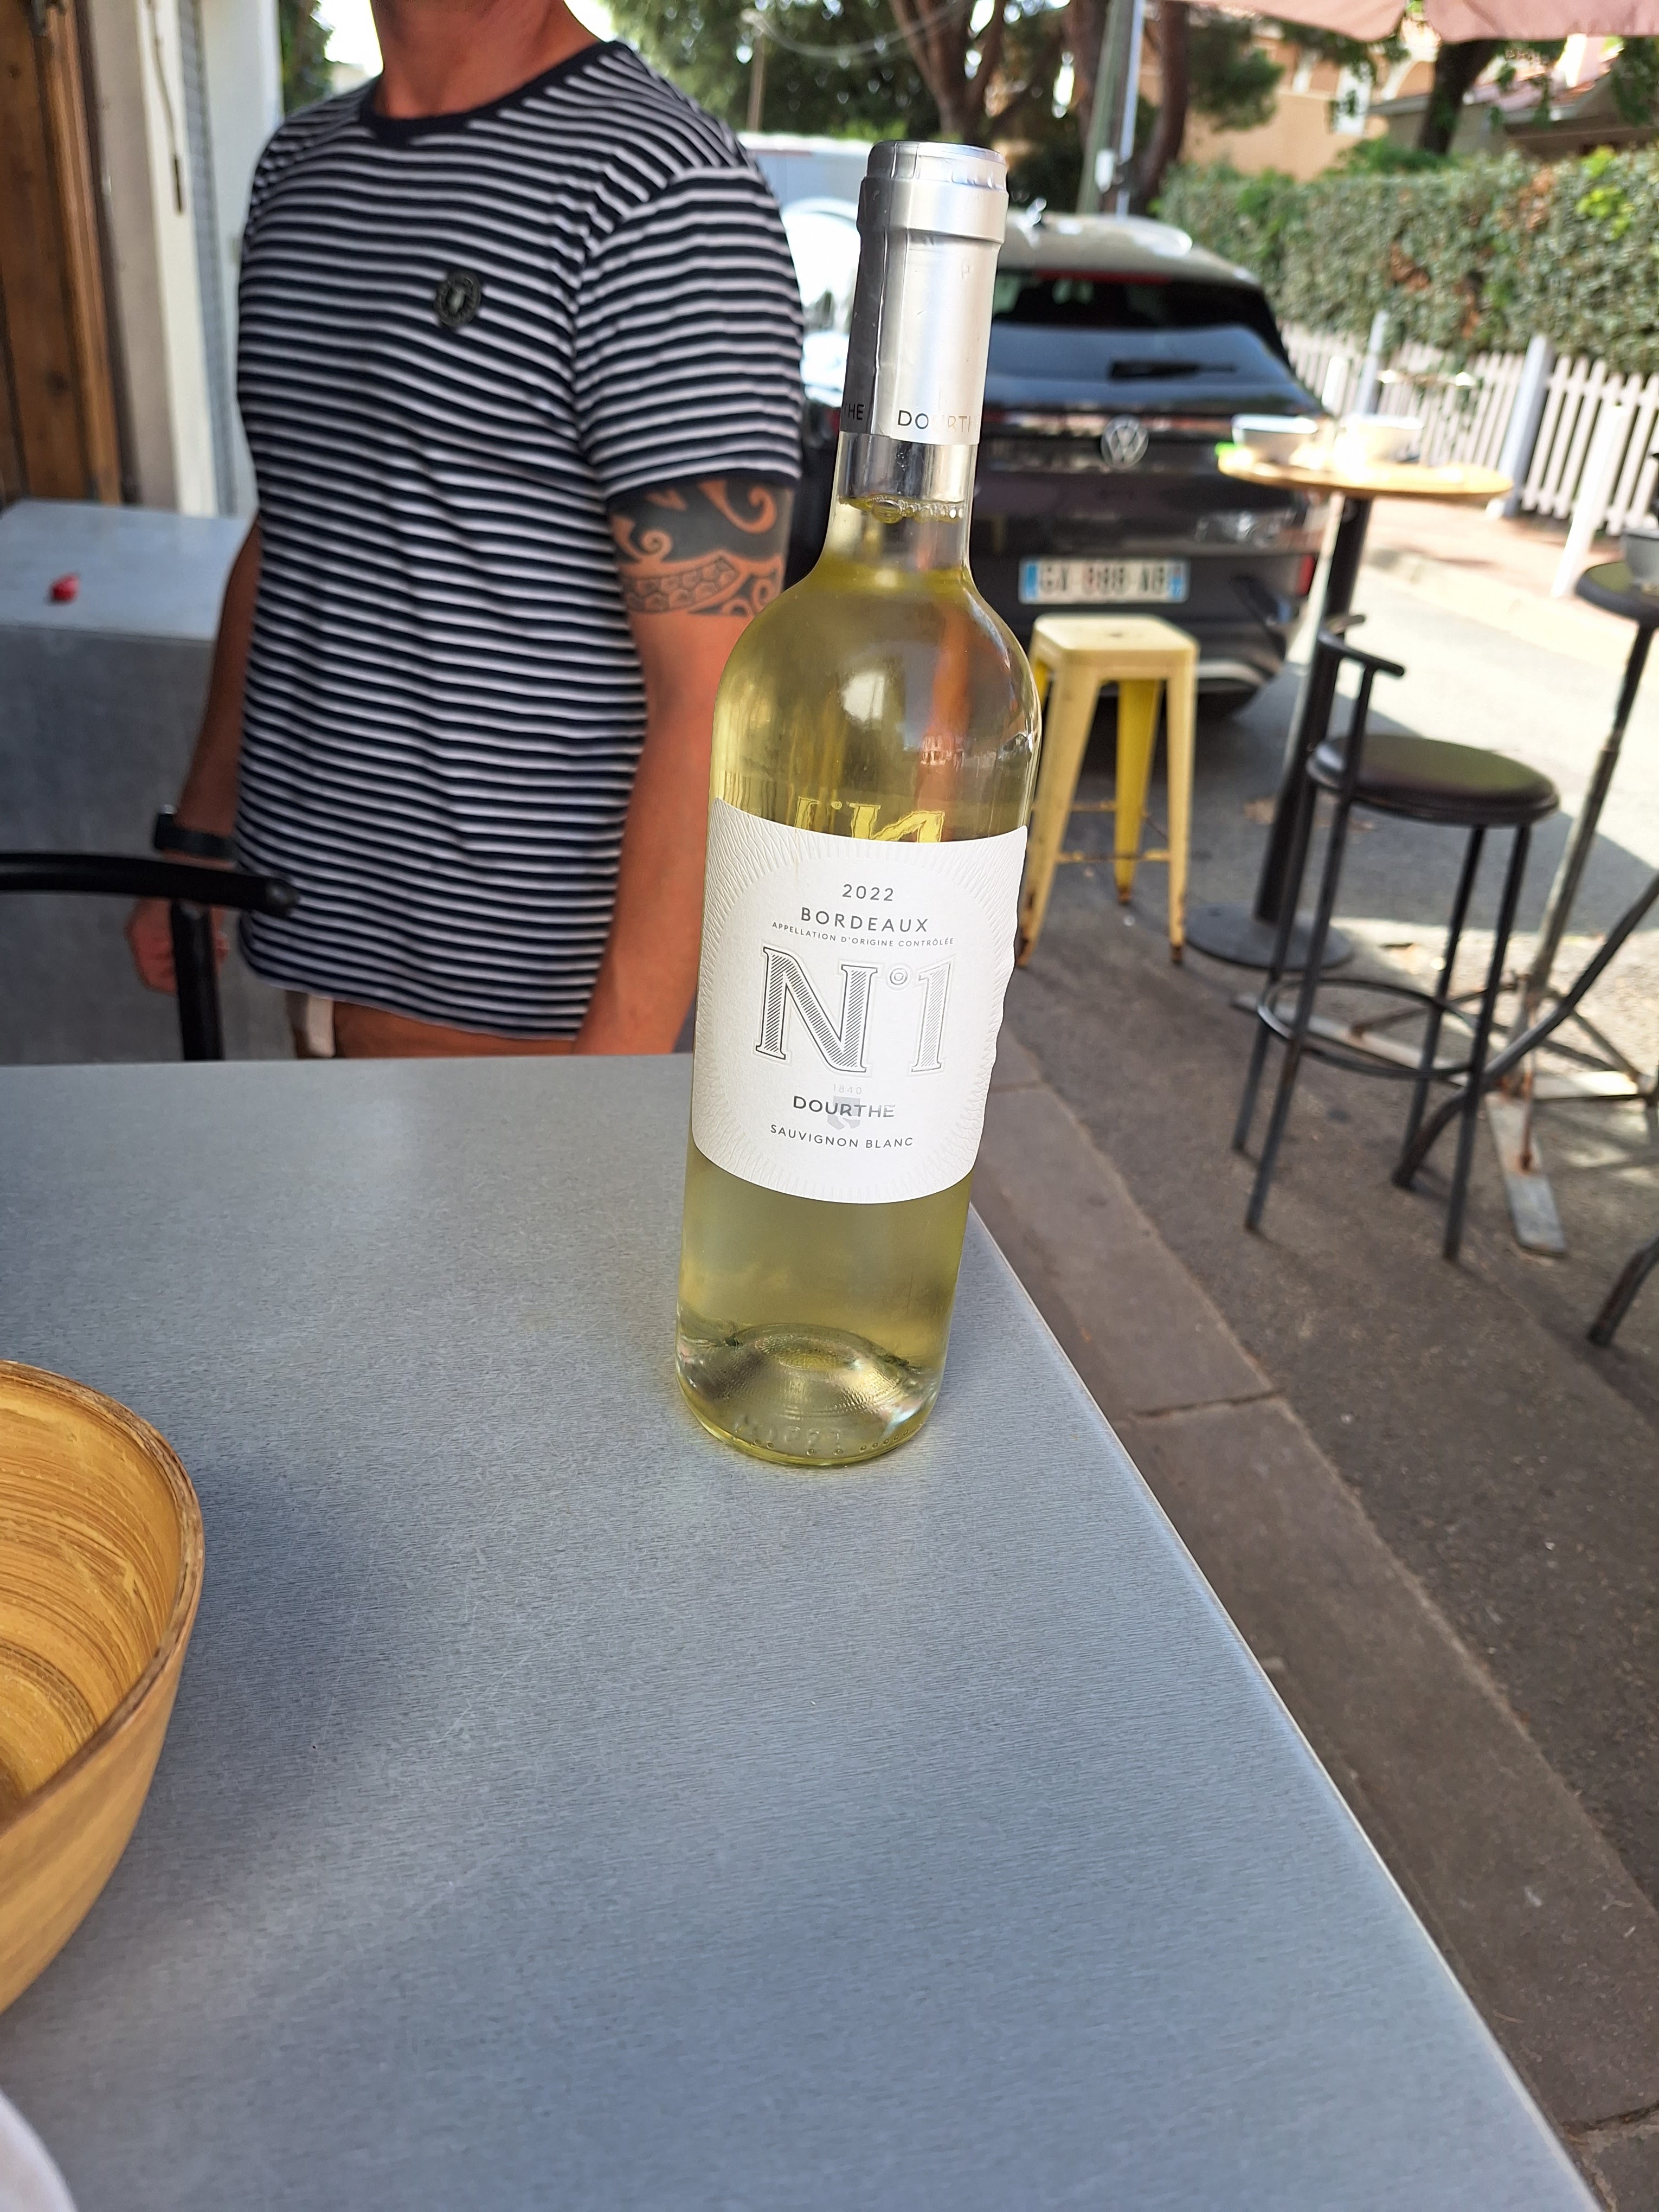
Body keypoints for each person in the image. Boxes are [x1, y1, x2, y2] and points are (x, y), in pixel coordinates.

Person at [127, 0, 802, 1057]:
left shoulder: (663, 191)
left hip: (515, 1025)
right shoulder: (300, 168)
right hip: (305, 947)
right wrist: (201, 833)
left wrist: (600, 1093)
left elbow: (716, 692)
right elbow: (299, 520)